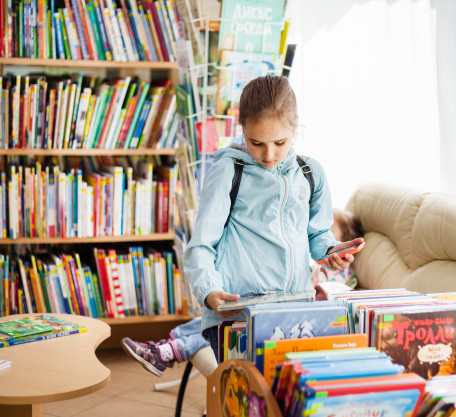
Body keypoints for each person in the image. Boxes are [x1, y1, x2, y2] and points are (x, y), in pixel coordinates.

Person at [120, 75, 364, 376]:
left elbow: (318, 234)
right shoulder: (228, 170)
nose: (269, 155)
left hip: (294, 306)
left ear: (296, 126)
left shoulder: (311, 173)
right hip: (236, 311)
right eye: (256, 142)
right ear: (242, 128)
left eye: (280, 142)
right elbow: (201, 245)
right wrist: (209, 290)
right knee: (245, 398)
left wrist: (332, 251)